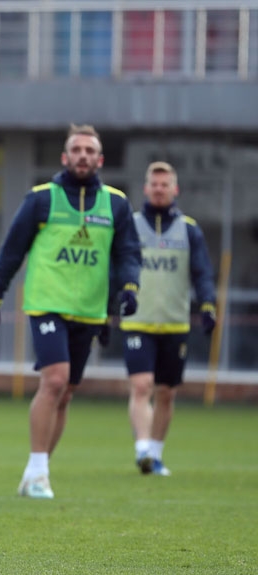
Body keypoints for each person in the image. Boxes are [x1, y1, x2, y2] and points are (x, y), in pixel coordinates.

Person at [0, 124, 141, 499]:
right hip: (46, 303)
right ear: (65, 157)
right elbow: (11, 252)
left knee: (66, 392)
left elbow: (128, 254)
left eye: (90, 151)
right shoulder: (40, 199)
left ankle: (38, 470)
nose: (83, 155)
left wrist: (129, 289)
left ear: (100, 160)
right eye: (76, 149)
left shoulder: (116, 204)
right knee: (54, 380)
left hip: (89, 310)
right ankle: (38, 472)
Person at [119, 161, 216, 476]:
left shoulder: (189, 229)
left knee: (166, 391)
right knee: (142, 384)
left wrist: (208, 305)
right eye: (154, 184)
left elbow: (201, 272)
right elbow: (116, 267)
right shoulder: (130, 226)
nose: (159, 189)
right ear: (146, 188)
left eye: (165, 185)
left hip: (174, 323)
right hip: (138, 321)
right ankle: (142, 448)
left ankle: (156, 454)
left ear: (175, 189)